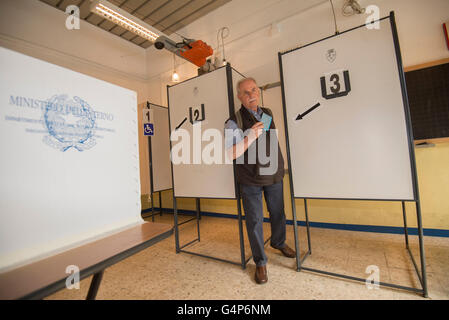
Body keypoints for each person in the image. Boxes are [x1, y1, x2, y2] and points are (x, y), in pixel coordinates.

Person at [224, 77, 296, 284]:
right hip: (250, 179)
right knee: (255, 221)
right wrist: (249, 137)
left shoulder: (268, 114)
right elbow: (231, 154)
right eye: (245, 92)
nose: (251, 95)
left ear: (258, 91)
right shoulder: (234, 122)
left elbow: (270, 141)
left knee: (278, 212)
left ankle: (278, 242)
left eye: (254, 90)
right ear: (239, 96)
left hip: (273, 173)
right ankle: (260, 262)